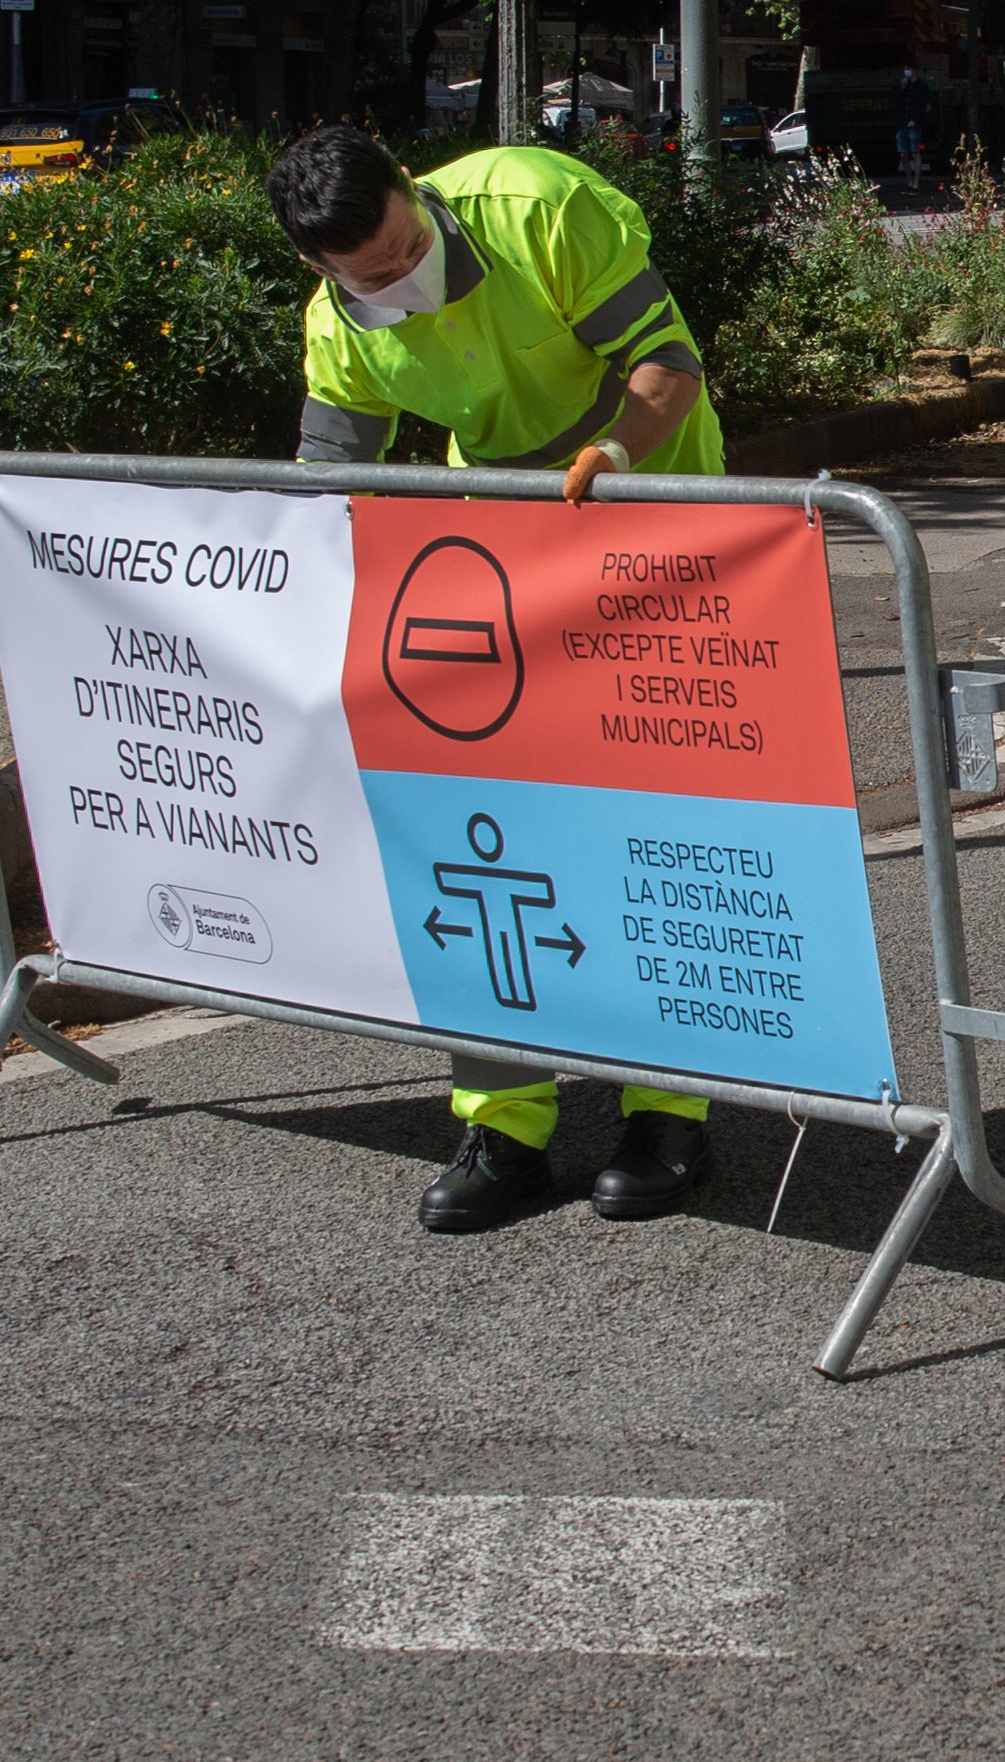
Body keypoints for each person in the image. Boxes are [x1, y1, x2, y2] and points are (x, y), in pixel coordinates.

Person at [268, 124, 730, 1236]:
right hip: (496, 541)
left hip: (651, 510)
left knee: (647, 821)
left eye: (397, 247)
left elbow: (666, 365)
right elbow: (330, 479)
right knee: (490, 828)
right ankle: (506, 1124)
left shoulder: (533, 205)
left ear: (406, 187)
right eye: (361, 273)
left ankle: (666, 1113)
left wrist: (615, 457)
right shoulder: (339, 323)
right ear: (319, 268)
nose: (392, 279)